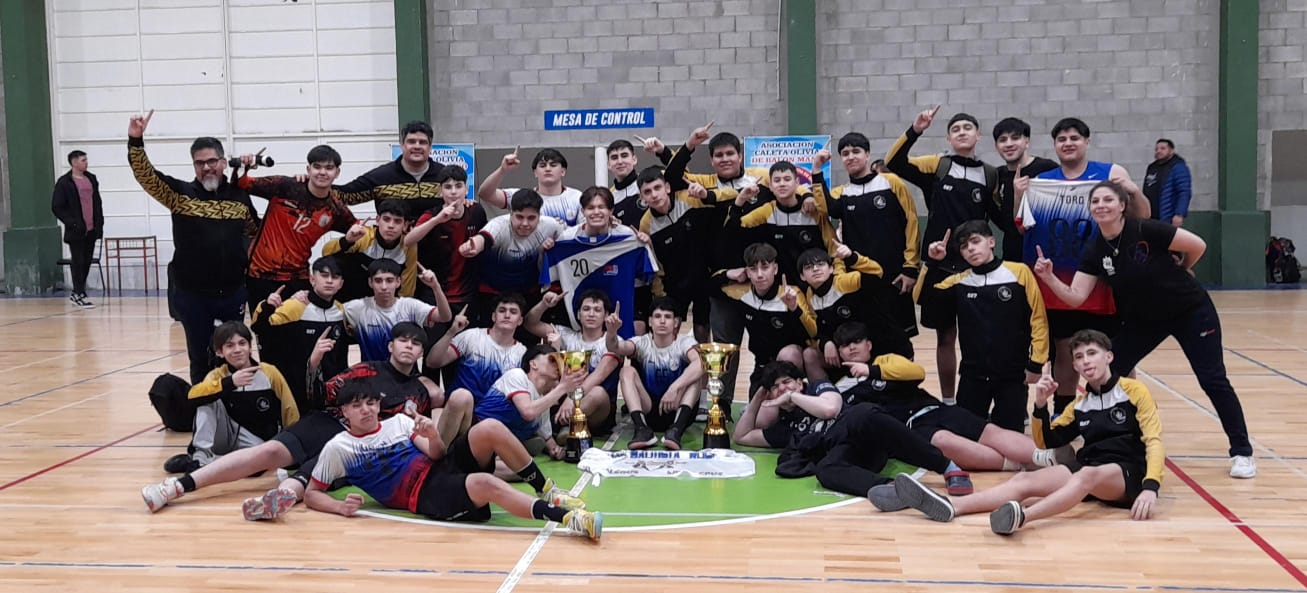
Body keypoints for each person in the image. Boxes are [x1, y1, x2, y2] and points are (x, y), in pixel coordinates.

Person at [1033, 181, 1256, 478]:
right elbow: (1076, 295)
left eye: (1107, 200)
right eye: (1095, 201)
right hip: (1145, 320)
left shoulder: (1145, 229)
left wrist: (1182, 268)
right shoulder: (1095, 248)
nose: (1101, 205)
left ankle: (1242, 451)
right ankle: (1115, 438)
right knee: (1111, 369)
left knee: (1213, 379)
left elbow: (1197, 246)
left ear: (1122, 205)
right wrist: (1049, 278)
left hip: (1190, 311)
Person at [141, 323, 443, 519]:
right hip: (329, 423)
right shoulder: (365, 369)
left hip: (363, 448)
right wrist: (313, 364)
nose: (408, 347)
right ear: (390, 346)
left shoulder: (420, 392)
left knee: (307, 478)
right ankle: (176, 487)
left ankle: (276, 501)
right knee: (267, 453)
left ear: (420, 352)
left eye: (415, 344)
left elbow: (417, 436)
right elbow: (321, 396)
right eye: (402, 341)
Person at [888, 330, 1163, 535]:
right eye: (1079, 357)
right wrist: (1041, 405)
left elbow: (1153, 440)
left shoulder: (1133, 390)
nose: (1086, 361)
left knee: (1086, 476)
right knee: (1023, 481)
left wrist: (1151, 487)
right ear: (1075, 367)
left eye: (1092, 353)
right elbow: (1048, 442)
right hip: (1088, 468)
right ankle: (951, 506)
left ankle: (1022, 518)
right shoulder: (1080, 405)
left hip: (1128, 473)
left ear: (1109, 357)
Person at [305, 384, 601, 540]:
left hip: (438, 468)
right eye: (357, 406)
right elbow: (312, 493)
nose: (366, 410)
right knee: (486, 482)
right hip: (423, 496)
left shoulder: (397, 422)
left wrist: (433, 435)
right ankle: (567, 518)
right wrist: (338, 507)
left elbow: (435, 454)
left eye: (370, 403)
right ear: (344, 411)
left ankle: (548, 490)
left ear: (378, 405)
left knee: (489, 428)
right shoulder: (339, 448)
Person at [1021, 117, 1150, 415]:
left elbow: (1143, 217)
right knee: (1066, 357)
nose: (1068, 143)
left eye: (1074, 138)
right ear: (1055, 145)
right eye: (1062, 139)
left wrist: (1133, 190)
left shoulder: (1111, 174)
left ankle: (1127, 413)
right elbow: (1022, 228)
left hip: (1107, 286)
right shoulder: (1042, 182)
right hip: (1059, 288)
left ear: (1087, 142)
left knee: (1116, 357)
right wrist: (1019, 194)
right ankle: (1064, 415)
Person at [126, 110, 259, 384]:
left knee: (237, 355)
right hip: (193, 296)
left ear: (223, 162)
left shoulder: (240, 198)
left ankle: (237, 411)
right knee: (200, 357)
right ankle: (204, 413)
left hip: (233, 294)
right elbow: (146, 176)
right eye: (200, 163)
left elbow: (256, 233)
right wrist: (135, 140)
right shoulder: (179, 195)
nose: (207, 168)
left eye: (212, 161)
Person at [833, 322, 1059, 473]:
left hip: (933, 408)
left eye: (857, 342)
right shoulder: (841, 389)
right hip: (911, 428)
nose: (852, 348)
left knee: (990, 432)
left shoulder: (885, 361)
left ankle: (1053, 459)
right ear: (838, 352)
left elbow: (917, 373)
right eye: (845, 345)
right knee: (942, 441)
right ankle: (1016, 465)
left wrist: (871, 372)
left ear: (869, 345)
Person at [885, 107, 1000, 403]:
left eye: (967, 127)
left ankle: (983, 399)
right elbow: (893, 162)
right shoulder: (937, 165)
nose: (962, 132)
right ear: (948, 137)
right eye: (956, 129)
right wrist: (916, 129)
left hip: (977, 268)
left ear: (978, 135)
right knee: (945, 337)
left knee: (982, 338)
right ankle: (948, 401)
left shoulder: (990, 174)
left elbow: (1000, 218)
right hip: (940, 267)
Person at [733, 361, 974, 499]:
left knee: (863, 413)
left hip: (865, 430)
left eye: (786, 382)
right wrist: (758, 398)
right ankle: (895, 490)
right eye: (775, 388)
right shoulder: (786, 427)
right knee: (826, 470)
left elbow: (830, 410)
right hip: (852, 453)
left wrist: (793, 395)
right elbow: (742, 436)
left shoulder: (817, 388)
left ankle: (949, 468)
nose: (781, 389)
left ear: (799, 382)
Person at [919, 221, 1049, 432]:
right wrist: (931, 264)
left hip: (1012, 376)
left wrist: (1036, 363)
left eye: (975, 241)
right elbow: (924, 298)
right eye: (963, 246)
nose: (970, 248)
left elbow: (1038, 319)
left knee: (1011, 437)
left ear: (991, 242)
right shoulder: (959, 281)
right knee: (966, 437)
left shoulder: (1019, 273)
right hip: (973, 376)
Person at [815, 137, 920, 339]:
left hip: (895, 276)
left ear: (867, 154)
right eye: (845, 154)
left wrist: (910, 268)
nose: (850, 157)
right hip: (860, 277)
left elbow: (911, 223)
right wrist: (816, 170)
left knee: (899, 338)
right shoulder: (842, 193)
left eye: (856, 151)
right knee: (865, 337)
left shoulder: (891, 183)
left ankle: (904, 370)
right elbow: (824, 207)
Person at [162, 321, 300, 474]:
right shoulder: (217, 375)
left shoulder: (269, 372)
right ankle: (200, 458)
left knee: (255, 467)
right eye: (230, 346)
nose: (237, 350)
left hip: (255, 439)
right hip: (225, 436)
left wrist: (293, 445)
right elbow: (192, 396)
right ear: (220, 352)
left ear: (250, 346)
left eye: (242, 343)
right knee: (207, 399)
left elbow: (289, 408)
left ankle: (215, 463)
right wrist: (229, 383)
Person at [235, 144, 358, 312]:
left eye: (329, 168)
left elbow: (358, 230)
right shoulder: (285, 186)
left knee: (295, 333)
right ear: (308, 169)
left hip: (297, 279)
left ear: (337, 173)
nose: (322, 172)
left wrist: (349, 240)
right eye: (317, 167)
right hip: (259, 275)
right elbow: (241, 183)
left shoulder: (335, 209)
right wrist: (244, 165)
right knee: (264, 330)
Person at [540, 186, 657, 337]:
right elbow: (547, 279)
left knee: (615, 359)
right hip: (580, 328)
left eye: (601, 207)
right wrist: (544, 252)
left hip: (618, 328)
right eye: (590, 208)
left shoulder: (628, 237)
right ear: (582, 212)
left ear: (611, 211)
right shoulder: (566, 240)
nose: (596, 212)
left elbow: (648, 276)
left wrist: (647, 245)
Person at [716, 243, 816, 401]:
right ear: (747, 272)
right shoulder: (740, 293)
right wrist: (727, 274)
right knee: (758, 418)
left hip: (791, 363)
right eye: (753, 269)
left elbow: (811, 332)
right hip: (763, 365)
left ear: (775, 269)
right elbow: (707, 287)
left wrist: (794, 308)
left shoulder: (791, 293)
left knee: (790, 353)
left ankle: (797, 399)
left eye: (765, 267)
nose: (760, 274)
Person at [249, 256, 350, 413]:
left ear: (341, 284)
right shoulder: (294, 307)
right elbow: (259, 328)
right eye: (324, 275)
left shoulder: (340, 310)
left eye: (335, 277)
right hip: (297, 392)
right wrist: (267, 305)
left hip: (331, 392)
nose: (329, 281)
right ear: (312, 279)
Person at [427, 294, 529, 445]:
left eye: (513, 312)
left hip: (492, 419)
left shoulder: (522, 353)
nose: (507, 315)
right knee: (452, 403)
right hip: (459, 410)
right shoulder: (472, 336)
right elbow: (432, 362)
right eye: (502, 310)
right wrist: (451, 332)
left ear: (520, 321)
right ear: (494, 316)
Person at [606, 297, 704, 450]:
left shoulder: (685, 342)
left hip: (677, 407)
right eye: (658, 317)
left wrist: (674, 388)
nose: (662, 321)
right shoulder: (642, 342)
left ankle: (676, 430)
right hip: (649, 409)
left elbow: (700, 364)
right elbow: (616, 347)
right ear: (650, 321)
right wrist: (611, 332)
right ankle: (642, 429)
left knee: (695, 374)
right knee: (627, 371)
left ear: (676, 322)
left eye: (668, 317)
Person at [796, 245, 914, 371]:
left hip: (889, 347)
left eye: (820, 264)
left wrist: (852, 257)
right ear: (802, 276)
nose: (815, 269)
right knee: (810, 354)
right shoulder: (810, 297)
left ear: (831, 268)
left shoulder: (846, 281)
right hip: (854, 357)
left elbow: (877, 272)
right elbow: (816, 331)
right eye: (808, 267)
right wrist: (826, 343)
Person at [460, 189, 566, 326]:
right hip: (492, 292)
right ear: (510, 214)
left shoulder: (552, 226)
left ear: (540, 215)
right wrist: (472, 246)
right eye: (519, 217)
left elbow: (570, 242)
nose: (525, 224)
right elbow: (483, 238)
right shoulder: (498, 225)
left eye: (532, 218)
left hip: (528, 292)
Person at [525, 289, 621, 436]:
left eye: (597, 310)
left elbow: (598, 376)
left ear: (606, 316)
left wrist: (572, 399)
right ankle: (560, 428)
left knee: (598, 392)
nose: (591, 314)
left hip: (597, 411)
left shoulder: (613, 341)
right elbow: (530, 323)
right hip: (562, 406)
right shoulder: (567, 336)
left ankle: (559, 427)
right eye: (586, 309)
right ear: (578, 314)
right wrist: (544, 304)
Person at [637, 166, 717, 342]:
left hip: (703, 276)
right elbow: (653, 262)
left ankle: (703, 367)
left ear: (667, 187)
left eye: (657, 188)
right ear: (642, 197)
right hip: (674, 283)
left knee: (702, 328)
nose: (654, 195)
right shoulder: (646, 224)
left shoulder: (690, 199)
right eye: (647, 192)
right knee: (668, 330)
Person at [469, 344, 585, 456]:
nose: (558, 365)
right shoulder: (517, 375)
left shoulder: (542, 401)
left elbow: (549, 441)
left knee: (524, 468)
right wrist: (562, 387)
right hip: (476, 436)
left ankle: (521, 447)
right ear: (533, 364)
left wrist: (557, 451)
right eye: (552, 359)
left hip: (497, 448)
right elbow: (528, 412)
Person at [726, 161, 832, 284]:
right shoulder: (767, 211)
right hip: (783, 287)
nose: (782, 184)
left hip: (816, 284)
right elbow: (734, 227)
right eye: (777, 180)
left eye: (787, 179)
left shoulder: (813, 210)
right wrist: (741, 199)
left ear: (797, 182)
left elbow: (832, 246)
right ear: (770, 186)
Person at [342, 258, 452, 363]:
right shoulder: (357, 308)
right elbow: (330, 311)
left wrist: (435, 287)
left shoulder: (410, 306)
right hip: (372, 376)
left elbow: (444, 317)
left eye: (389, 280)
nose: (384, 287)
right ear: (370, 282)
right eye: (378, 281)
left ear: (398, 282)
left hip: (406, 375)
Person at [336, 120, 446, 220]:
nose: (417, 146)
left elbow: (459, 204)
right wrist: (321, 182)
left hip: (439, 241)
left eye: (422, 142)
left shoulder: (444, 176)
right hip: (397, 242)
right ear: (402, 145)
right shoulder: (381, 177)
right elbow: (346, 196)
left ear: (430, 147)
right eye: (411, 141)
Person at [990, 118, 1058, 263]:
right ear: (996, 146)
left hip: (1046, 256)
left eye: (1015, 138)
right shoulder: (996, 176)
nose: (1009, 144)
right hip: (1012, 257)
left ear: (1027, 142)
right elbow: (1002, 220)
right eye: (1003, 140)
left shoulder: (1047, 169)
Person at [324, 199, 418, 302]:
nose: (391, 225)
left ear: (405, 225)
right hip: (353, 291)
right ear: (378, 220)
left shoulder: (408, 244)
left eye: (397, 221)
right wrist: (347, 240)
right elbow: (326, 253)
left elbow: (408, 283)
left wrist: (402, 309)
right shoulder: (365, 235)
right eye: (386, 219)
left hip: (385, 298)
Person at [51, 149, 104, 309]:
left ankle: (79, 291)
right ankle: (78, 292)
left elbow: (97, 202)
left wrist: (99, 222)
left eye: (86, 160)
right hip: (76, 230)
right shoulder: (64, 182)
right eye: (83, 160)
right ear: (74, 163)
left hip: (91, 228)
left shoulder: (91, 179)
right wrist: (72, 222)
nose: (86, 163)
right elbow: (57, 207)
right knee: (78, 261)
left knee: (87, 260)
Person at [478, 147, 583, 224]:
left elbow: (584, 231)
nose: (547, 169)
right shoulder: (521, 197)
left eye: (553, 165)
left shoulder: (577, 197)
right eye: (542, 165)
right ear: (535, 173)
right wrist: (502, 169)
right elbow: (485, 194)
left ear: (563, 171)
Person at [1143, 138, 1192, 226]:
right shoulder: (1152, 167)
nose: (1158, 151)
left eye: (1163, 148)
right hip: (1151, 217)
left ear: (1171, 151)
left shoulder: (1178, 168)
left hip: (1168, 216)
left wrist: (1179, 214)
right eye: (1156, 149)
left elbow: (1184, 192)